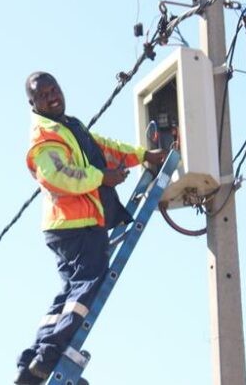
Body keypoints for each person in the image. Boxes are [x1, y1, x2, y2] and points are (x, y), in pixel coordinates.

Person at [14, 72, 166, 385]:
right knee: (88, 284)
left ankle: (35, 362)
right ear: (33, 103)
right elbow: (58, 175)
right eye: (43, 95)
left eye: (54, 88)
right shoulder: (44, 137)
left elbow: (104, 149)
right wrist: (101, 178)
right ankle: (50, 353)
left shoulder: (70, 127)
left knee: (69, 293)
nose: (52, 96)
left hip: (74, 226)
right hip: (75, 226)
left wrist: (143, 156)